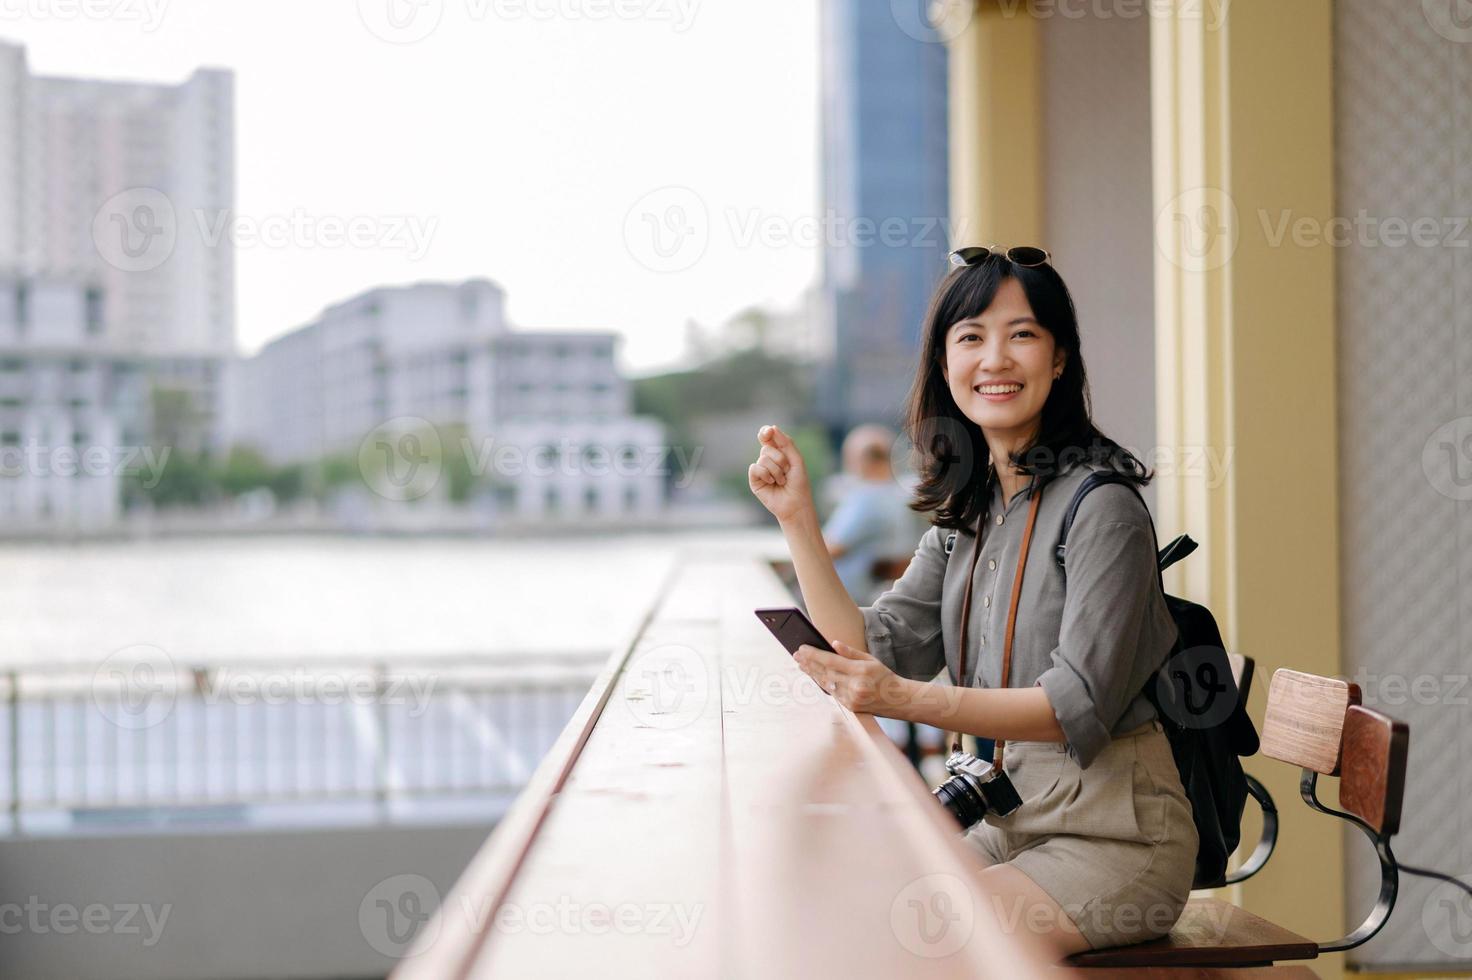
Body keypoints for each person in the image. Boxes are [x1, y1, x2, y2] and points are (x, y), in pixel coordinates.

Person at [746, 245, 1196, 957]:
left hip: (1115, 842)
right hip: (1011, 824)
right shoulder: (971, 513)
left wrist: (907, 700)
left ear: (1059, 360)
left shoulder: (1102, 508)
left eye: (1022, 335)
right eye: (971, 337)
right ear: (944, 364)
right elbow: (866, 646)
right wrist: (797, 519)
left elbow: (1070, 704)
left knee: (932, 943)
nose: (995, 359)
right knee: (855, 911)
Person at [821, 424, 921, 604]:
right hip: (882, 595)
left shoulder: (868, 498)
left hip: (849, 601)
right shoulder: (900, 494)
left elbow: (827, 549)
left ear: (864, 460)